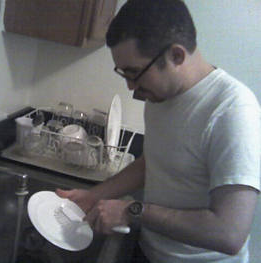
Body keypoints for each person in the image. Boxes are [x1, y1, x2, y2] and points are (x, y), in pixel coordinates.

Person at [57, 0, 260, 262]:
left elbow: (230, 233)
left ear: (176, 56)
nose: (131, 87)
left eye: (135, 73)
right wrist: (93, 195)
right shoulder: (159, 95)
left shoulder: (232, 110)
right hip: (149, 251)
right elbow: (152, 163)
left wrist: (133, 211)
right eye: (124, 74)